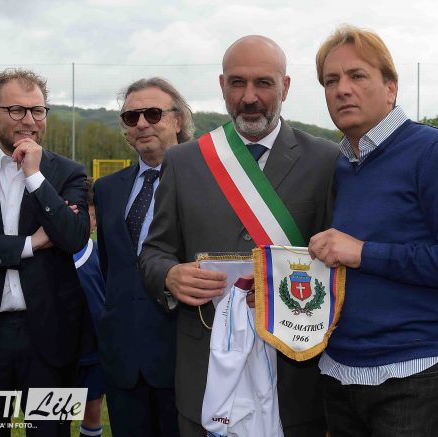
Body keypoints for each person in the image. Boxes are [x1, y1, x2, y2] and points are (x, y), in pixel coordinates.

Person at [139, 35, 340, 437]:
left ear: (285, 86)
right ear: (222, 85)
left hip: (293, 370)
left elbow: (337, 260)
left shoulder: (325, 160)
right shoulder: (183, 160)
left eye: (263, 83)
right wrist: (169, 275)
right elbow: (155, 251)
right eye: (237, 83)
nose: (249, 97)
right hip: (206, 367)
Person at [308, 25, 438, 436]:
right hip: (339, 371)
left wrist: (364, 252)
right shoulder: (338, 164)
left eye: (357, 76)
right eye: (331, 81)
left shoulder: (435, 150)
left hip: (415, 375)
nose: (342, 90)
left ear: (391, 88)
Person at [0, 68, 90, 436]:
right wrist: (30, 244)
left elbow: (74, 238)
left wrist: (35, 177)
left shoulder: (69, 173)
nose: (29, 120)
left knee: (51, 432)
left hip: (52, 339)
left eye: (37, 110)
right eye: (16, 110)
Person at [93, 77, 192, 436]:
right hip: (122, 360)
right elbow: (111, 268)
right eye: (131, 117)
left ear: (178, 120)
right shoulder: (107, 189)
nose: (141, 124)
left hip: (184, 357)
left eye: (152, 114)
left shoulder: (206, 183)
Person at [73, 177, 106, 437]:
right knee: (51, 414)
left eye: (92, 216)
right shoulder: (45, 255)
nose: (89, 222)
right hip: (57, 354)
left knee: (92, 413)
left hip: (94, 352)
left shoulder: (100, 255)